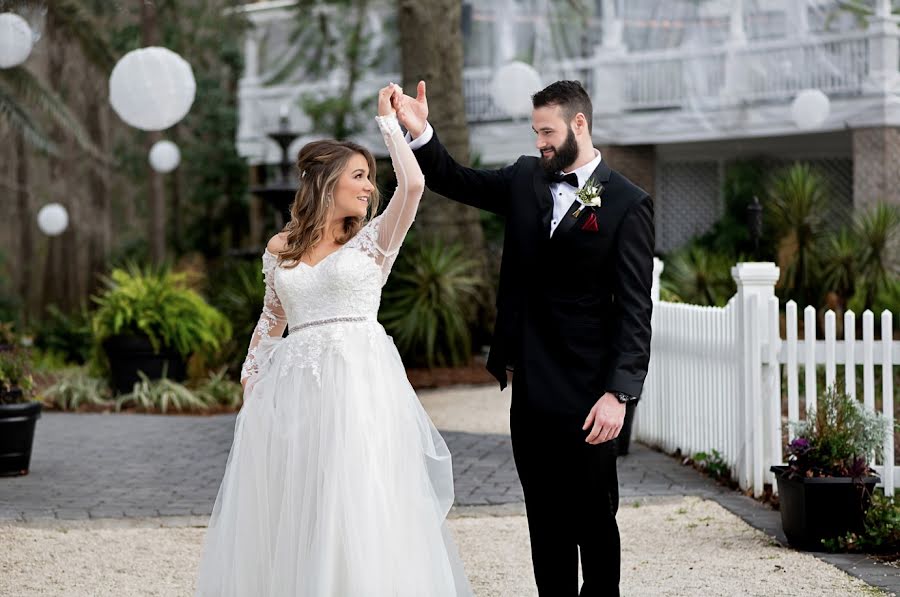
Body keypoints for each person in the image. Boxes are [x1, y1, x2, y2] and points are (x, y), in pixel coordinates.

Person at [195, 84, 471, 597]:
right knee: (299, 502)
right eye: (359, 176)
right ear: (326, 182)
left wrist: (391, 126)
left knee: (354, 499)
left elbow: (412, 186)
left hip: (358, 384)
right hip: (293, 390)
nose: (369, 187)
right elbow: (270, 319)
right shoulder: (281, 247)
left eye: (369, 177)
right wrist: (251, 381)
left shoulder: (373, 243)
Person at [392, 79, 654, 597]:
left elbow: (635, 311)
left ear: (580, 124)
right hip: (531, 383)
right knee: (544, 517)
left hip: (590, 392)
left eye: (548, 132)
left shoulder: (626, 203)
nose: (541, 143)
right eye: (536, 132)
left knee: (594, 520)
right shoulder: (524, 178)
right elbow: (455, 179)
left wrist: (619, 394)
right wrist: (421, 135)